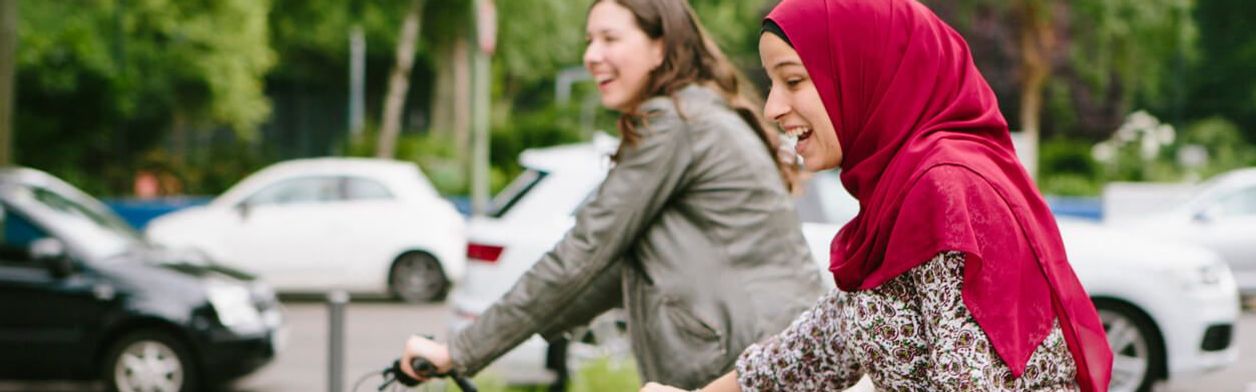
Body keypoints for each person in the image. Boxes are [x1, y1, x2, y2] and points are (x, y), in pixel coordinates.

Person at [643, 0, 1114, 391]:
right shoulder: (898, 191)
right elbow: (821, 345)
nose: (772, 107)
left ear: (862, 71)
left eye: (793, 80)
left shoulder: (947, 189)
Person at [398, 0, 827, 388]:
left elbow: (584, 251)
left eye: (610, 38)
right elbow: (611, 270)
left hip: (746, 360)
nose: (591, 55)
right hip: (766, 352)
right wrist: (489, 343)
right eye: (589, 41)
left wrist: (460, 349)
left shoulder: (675, 121)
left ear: (661, 48)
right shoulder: (696, 112)